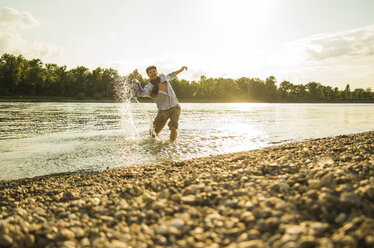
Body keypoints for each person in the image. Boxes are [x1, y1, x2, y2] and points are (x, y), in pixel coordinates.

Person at [132, 65, 187, 142]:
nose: (153, 73)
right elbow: (141, 93)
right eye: (150, 72)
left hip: (175, 107)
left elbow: (172, 75)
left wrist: (181, 69)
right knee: (153, 133)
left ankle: (171, 146)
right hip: (163, 111)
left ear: (157, 72)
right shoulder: (149, 87)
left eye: (154, 71)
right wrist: (136, 80)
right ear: (148, 75)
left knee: (173, 127)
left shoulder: (163, 78)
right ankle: (154, 146)